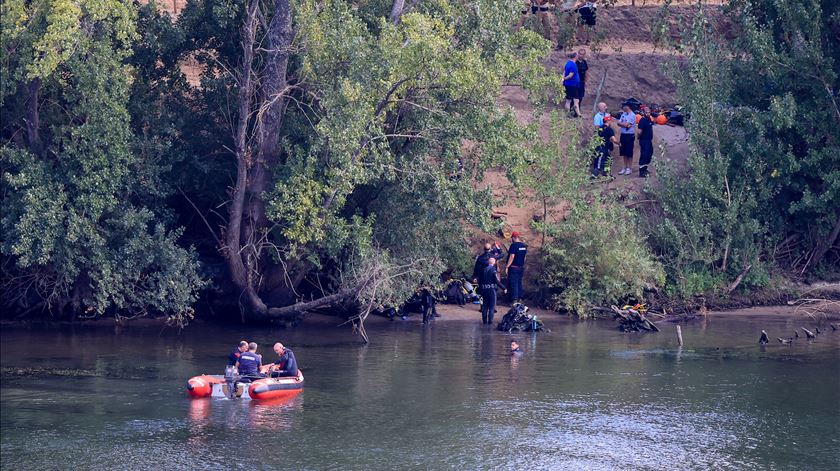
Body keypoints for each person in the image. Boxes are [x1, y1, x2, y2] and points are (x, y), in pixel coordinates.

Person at [479, 257, 505, 325]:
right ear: (494, 263)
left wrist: (480, 290)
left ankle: (484, 322)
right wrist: (504, 288)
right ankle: (490, 323)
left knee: (484, 306)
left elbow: (480, 281)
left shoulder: (483, 270)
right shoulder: (493, 270)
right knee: (491, 306)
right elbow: (496, 281)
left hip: (484, 290)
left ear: (488, 262)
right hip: (491, 290)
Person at [505, 231, 528, 303]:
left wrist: (507, 266)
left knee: (513, 283)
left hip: (513, 267)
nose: (511, 239)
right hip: (521, 268)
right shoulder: (524, 246)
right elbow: (525, 257)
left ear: (514, 238)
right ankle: (520, 298)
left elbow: (512, 256)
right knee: (519, 283)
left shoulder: (513, 245)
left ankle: (514, 300)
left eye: (512, 238)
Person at [617, 102, 637, 175]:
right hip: (623, 135)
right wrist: (622, 124)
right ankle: (624, 167)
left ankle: (629, 168)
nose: (623, 107)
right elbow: (618, 123)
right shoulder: (623, 114)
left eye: (624, 106)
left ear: (628, 107)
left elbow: (627, 125)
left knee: (629, 152)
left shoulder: (632, 115)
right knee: (623, 151)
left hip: (629, 135)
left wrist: (622, 124)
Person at [563, 52, 581, 118]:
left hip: (568, 84)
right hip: (573, 84)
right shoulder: (573, 65)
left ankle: (568, 114)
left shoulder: (567, 63)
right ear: (575, 57)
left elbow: (564, 72)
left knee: (568, 100)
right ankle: (579, 114)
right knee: (576, 100)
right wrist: (564, 78)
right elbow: (570, 75)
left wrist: (563, 79)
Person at [637, 106, 654, 178]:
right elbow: (639, 131)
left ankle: (645, 169)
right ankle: (641, 171)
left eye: (649, 112)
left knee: (649, 153)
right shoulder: (642, 120)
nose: (648, 113)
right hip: (644, 140)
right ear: (643, 113)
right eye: (646, 112)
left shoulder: (649, 119)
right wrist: (638, 137)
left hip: (649, 140)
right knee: (644, 154)